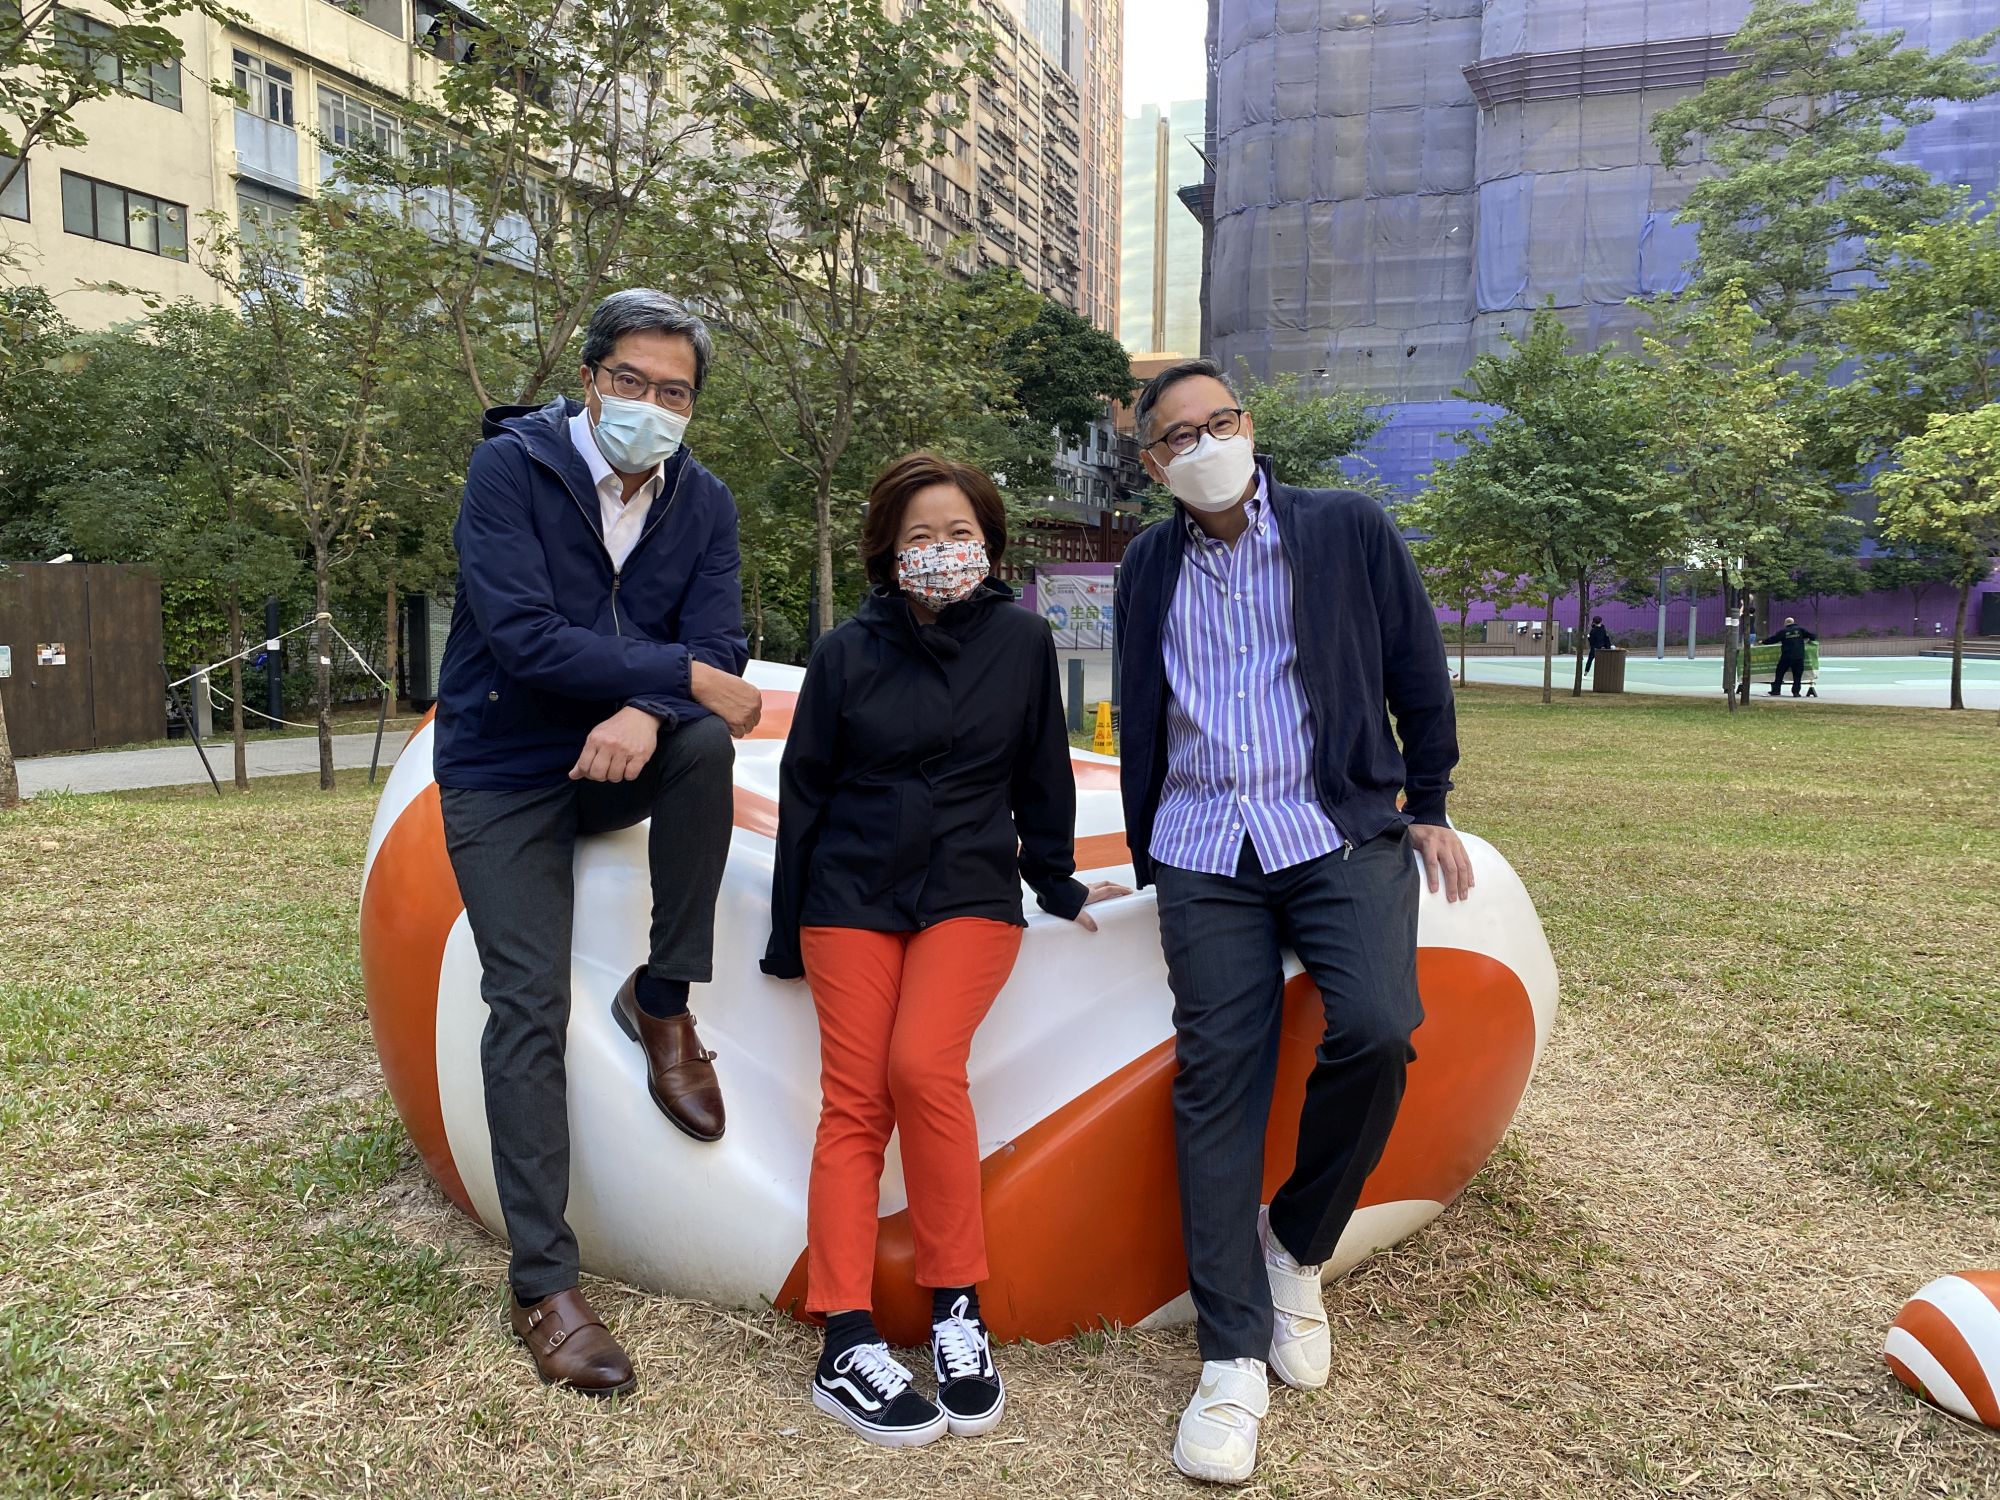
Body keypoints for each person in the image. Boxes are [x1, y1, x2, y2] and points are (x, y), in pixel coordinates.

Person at [1114, 360, 1470, 1485]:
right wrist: (1139, 854)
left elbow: (1413, 662)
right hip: (1200, 846)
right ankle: (1228, 1358)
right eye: (1178, 435)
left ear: (1248, 425)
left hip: (1333, 827)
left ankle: (1296, 1246)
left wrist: (1429, 803)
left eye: (1218, 421)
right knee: (1219, 1074)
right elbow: (1142, 704)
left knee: (1375, 1027)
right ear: (1151, 462)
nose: (1204, 443)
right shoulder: (1144, 564)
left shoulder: (1343, 530)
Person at [432, 290, 764, 1396]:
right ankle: (543, 1280)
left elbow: (716, 642)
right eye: (631, 381)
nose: (650, 406)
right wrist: (674, 681)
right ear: (589, 379)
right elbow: (523, 638)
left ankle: (661, 999)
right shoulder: (509, 473)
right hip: (505, 768)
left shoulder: (701, 501)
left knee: (703, 754)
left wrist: (649, 708)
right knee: (522, 1002)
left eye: (674, 392)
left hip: (625, 752)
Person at [762, 453, 1127, 1448]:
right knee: (856, 1097)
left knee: (924, 1068)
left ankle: (954, 1305)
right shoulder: (844, 652)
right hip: (849, 893)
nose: (940, 551)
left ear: (987, 544)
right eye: (919, 535)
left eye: (957, 532)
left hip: (968, 887)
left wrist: (1052, 877)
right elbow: (806, 790)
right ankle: (844, 1338)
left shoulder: (1020, 641)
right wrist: (786, 928)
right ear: (887, 551)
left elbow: (1041, 777)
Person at [1763, 616, 1817, 697]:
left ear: (1785, 624)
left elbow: (1773, 639)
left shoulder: (1783, 632)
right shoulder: (1800, 630)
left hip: (1786, 656)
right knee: (1797, 675)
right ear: (1793, 622)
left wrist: (1763, 642)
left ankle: (1776, 690)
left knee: (1780, 673)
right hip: (1799, 656)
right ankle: (1796, 692)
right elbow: (1812, 636)